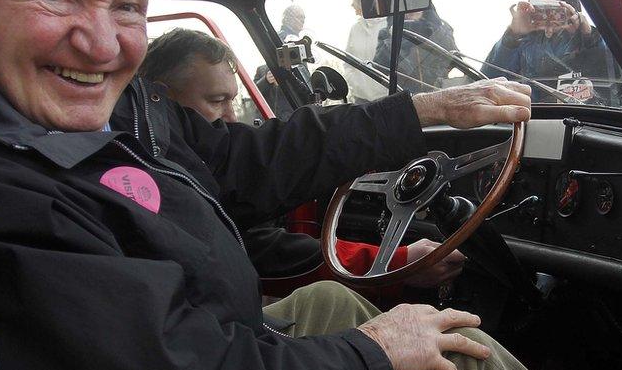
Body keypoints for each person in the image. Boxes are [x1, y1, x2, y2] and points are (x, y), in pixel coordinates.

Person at [0, 0, 549, 370]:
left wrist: (425, 111)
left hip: (229, 334)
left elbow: (246, 161)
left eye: (127, 6)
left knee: (327, 301)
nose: (102, 43)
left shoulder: (131, 112)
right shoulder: (0, 187)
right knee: (460, 364)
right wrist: (369, 355)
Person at [140, 27, 466, 284]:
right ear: (162, 101)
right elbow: (261, 249)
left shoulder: (188, 158)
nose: (231, 116)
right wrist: (395, 262)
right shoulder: (161, 172)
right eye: (216, 101)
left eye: (232, 101)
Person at [482, 0, 612, 102]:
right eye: (542, 7)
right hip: (534, 118)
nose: (550, 15)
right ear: (532, 7)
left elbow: (617, 75)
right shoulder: (521, 43)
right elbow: (486, 83)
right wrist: (512, 35)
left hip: (586, 118)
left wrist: (588, 36)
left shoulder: (592, 39)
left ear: (572, 5)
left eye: (557, 7)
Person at [374, 4, 459, 92]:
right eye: (406, 5)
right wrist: (397, 38)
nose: (412, 9)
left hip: (437, 92)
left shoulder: (439, 30)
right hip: (404, 95)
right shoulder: (387, 33)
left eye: (417, 2)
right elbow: (379, 67)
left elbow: (455, 60)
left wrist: (436, 74)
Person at [345, 0, 388, 102]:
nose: (351, 5)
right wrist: (354, 81)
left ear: (362, 2)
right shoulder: (355, 29)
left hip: (386, 97)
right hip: (361, 98)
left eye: (354, 1)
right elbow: (347, 61)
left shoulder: (388, 25)